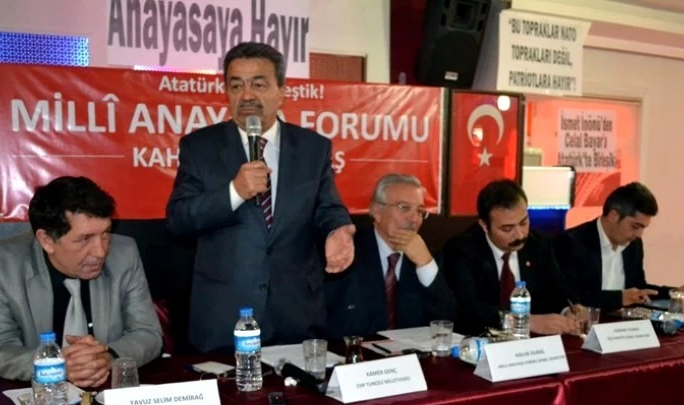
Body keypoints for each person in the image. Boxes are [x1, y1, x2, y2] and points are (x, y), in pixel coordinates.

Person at [166, 42, 355, 352]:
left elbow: (327, 206)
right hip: (225, 316)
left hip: (296, 313)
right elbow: (179, 219)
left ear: (281, 91)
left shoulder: (313, 147)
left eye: (258, 84)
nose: (247, 96)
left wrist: (337, 230)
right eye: (236, 86)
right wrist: (234, 192)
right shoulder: (200, 148)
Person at [0, 176, 162, 386]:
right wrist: (57, 365)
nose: (101, 252)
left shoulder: (124, 253)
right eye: (85, 239)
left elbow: (148, 334)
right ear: (47, 240)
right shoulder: (3, 264)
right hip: (42, 394)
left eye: (105, 233)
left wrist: (107, 357)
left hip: (105, 389)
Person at [325, 174, 455, 338]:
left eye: (420, 211)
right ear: (376, 211)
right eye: (404, 208)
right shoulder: (347, 251)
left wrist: (425, 264)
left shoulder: (428, 256)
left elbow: (446, 321)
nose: (414, 219)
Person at [443, 179, 579, 336]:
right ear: (484, 226)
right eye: (507, 229)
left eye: (524, 223)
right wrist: (525, 321)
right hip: (481, 339)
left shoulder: (539, 243)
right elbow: (469, 309)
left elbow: (556, 291)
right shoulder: (462, 249)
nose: (520, 235)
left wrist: (567, 311)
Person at [554, 182, 684, 313]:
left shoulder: (634, 244)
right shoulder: (572, 242)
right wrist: (619, 298)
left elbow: (638, 288)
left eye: (643, 228)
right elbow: (570, 297)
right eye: (635, 226)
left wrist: (673, 293)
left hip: (624, 325)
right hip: (586, 325)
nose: (639, 234)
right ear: (614, 216)